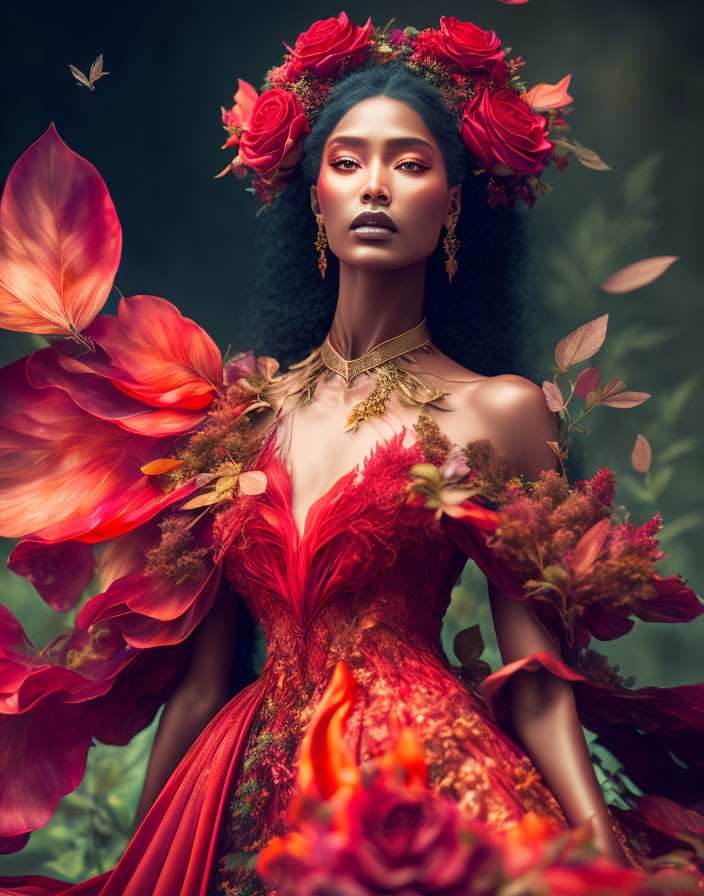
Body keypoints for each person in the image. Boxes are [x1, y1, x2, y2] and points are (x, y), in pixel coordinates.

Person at [0, 13, 702, 896]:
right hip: (243, 789)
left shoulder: (499, 410)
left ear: (452, 203)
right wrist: (143, 865)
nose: (375, 186)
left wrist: (599, 850)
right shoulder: (241, 415)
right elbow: (203, 681)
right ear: (314, 196)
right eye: (346, 162)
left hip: (424, 780)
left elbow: (535, 680)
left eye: (409, 163)